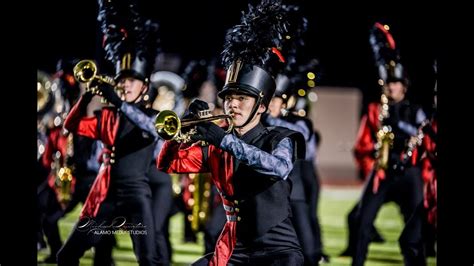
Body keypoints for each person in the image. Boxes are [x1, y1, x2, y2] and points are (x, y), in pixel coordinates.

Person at [157, 1, 305, 265]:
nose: (233, 104)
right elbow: (167, 164)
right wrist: (181, 129)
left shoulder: (281, 138)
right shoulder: (218, 144)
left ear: (261, 106)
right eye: (229, 98)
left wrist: (223, 139)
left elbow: (279, 168)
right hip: (235, 249)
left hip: (278, 253)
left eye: (242, 99)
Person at [57, 1, 161, 264]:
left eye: (131, 81)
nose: (125, 84)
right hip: (107, 198)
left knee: (148, 260)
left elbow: (150, 129)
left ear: (144, 86)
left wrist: (118, 101)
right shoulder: (107, 116)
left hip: (137, 198)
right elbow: (72, 125)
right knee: (66, 256)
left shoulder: (153, 117)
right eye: (122, 80)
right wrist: (86, 97)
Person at [263, 60, 330, 265]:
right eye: (269, 100)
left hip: (295, 192)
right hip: (268, 197)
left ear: (284, 104)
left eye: (277, 101)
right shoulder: (257, 123)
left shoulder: (298, 123)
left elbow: (301, 139)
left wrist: (267, 120)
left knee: (309, 250)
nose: (272, 105)